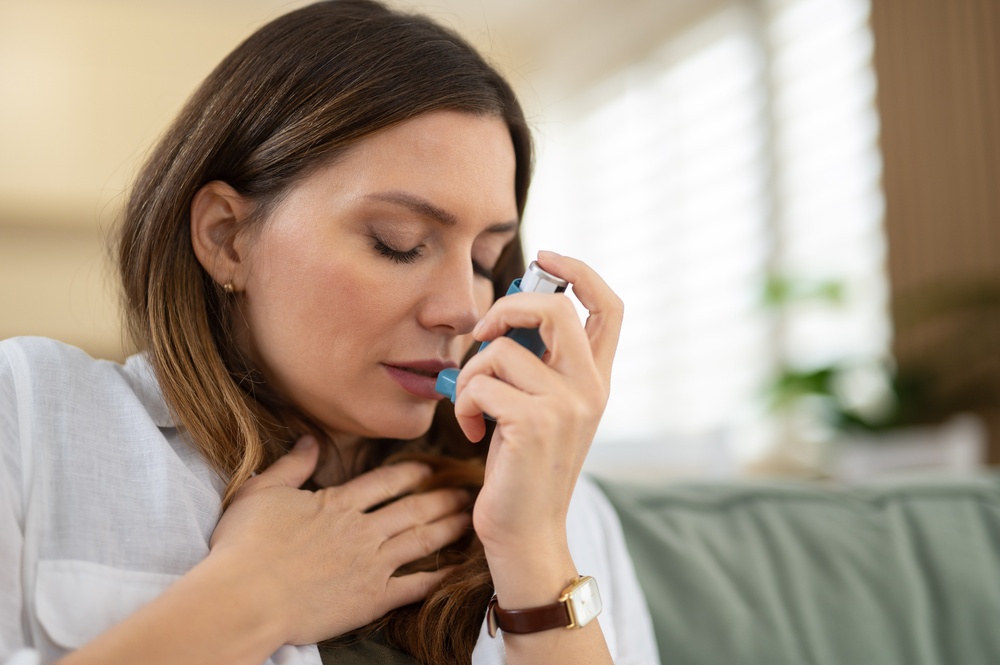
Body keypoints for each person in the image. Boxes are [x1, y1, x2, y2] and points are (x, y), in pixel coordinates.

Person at [0, 1, 659, 664]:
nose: (464, 309)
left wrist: (535, 552)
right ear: (226, 237)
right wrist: (250, 597)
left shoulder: (559, 508)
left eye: (485, 261)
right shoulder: (29, 418)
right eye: (397, 243)